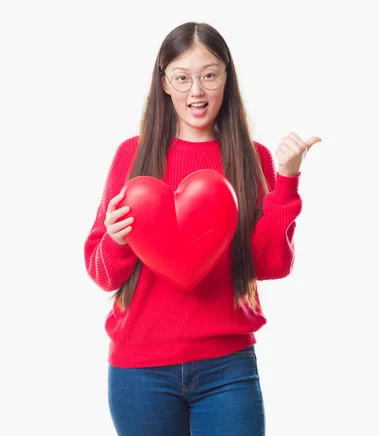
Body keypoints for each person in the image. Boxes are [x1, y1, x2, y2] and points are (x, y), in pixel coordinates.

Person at [83, 21, 320, 436]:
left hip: (227, 369)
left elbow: (271, 264)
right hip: (140, 373)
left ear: (227, 78)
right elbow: (101, 271)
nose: (197, 90)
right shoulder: (132, 155)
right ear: (164, 83)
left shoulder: (253, 158)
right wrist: (118, 241)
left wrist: (287, 181)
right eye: (182, 77)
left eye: (209, 75)